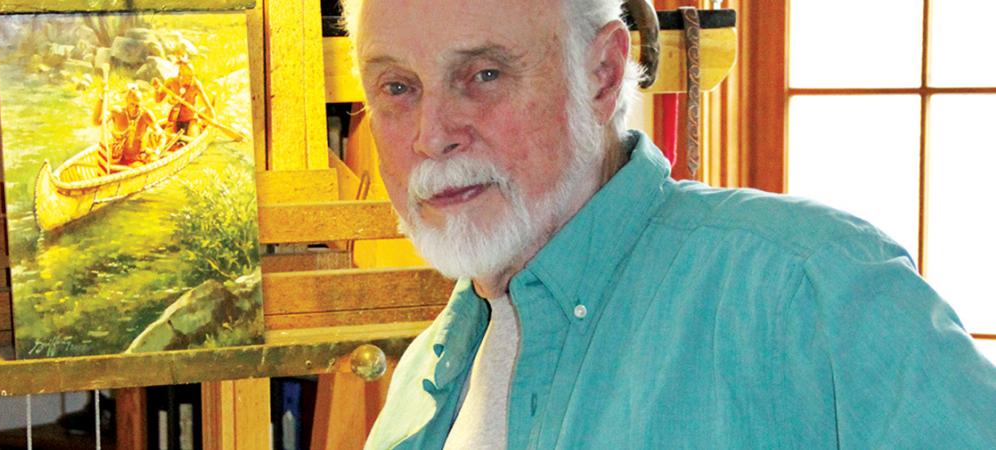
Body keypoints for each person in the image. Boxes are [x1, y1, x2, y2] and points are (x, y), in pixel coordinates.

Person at [340, 0, 996, 448]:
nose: (432, 136)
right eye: (398, 88)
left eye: (483, 75)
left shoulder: (807, 289)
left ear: (601, 75)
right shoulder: (421, 378)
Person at [93, 83, 161, 172]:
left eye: (138, 105)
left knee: (133, 169)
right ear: (126, 102)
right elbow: (97, 122)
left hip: (136, 160)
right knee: (108, 169)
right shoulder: (117, 113)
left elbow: (161, 134)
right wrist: (101, 98)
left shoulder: (146, 115)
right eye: (132, 104)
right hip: (116, 158)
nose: (135, 109)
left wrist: (157, 151)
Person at [153, 59, 215, 137]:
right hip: (174, 119)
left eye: (192, 75)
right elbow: (158, 100)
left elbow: (208, 106)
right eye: (189, 76)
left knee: (192, 136)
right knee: (167, 138)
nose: (192, 78)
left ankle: (197, 128)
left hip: (190, 119)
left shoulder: (195, 84)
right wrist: (156, 89)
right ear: (180, 75)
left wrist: (212, 118)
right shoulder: (171, 82)